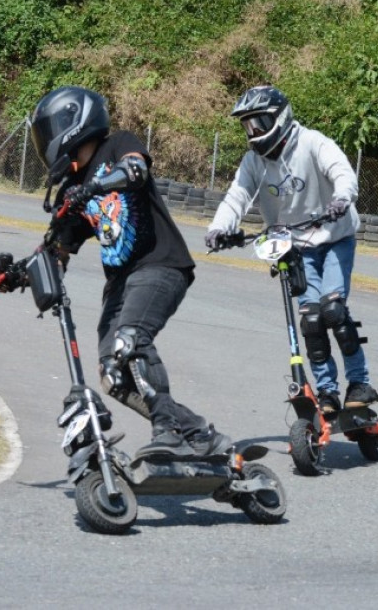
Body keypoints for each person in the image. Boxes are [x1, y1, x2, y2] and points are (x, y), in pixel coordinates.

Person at [25, 85, 231, 458]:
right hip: (120, 283)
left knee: (130, 341)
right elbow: (60, 248)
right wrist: (26, 272)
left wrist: (96, 186)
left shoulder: (117, 144)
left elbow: (135, 169)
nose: (45, 142)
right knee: (113, 373)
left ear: (72, 122)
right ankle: (198, 433)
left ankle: (167, 430)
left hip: (160, 264)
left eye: (48, 131)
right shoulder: (70, 187)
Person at [205, 84, 378, 415]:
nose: (253, 133)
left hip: (335, 237)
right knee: (311, 320)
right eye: (248, 126)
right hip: (296, 246)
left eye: (258, 123)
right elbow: (237, 196)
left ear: (280, 118)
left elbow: (341, 171)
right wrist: (219, 228)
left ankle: (359, 383)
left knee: (334, 311)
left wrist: (342, 197)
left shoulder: (313, 143)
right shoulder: (254, 161)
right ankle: (327, 392)